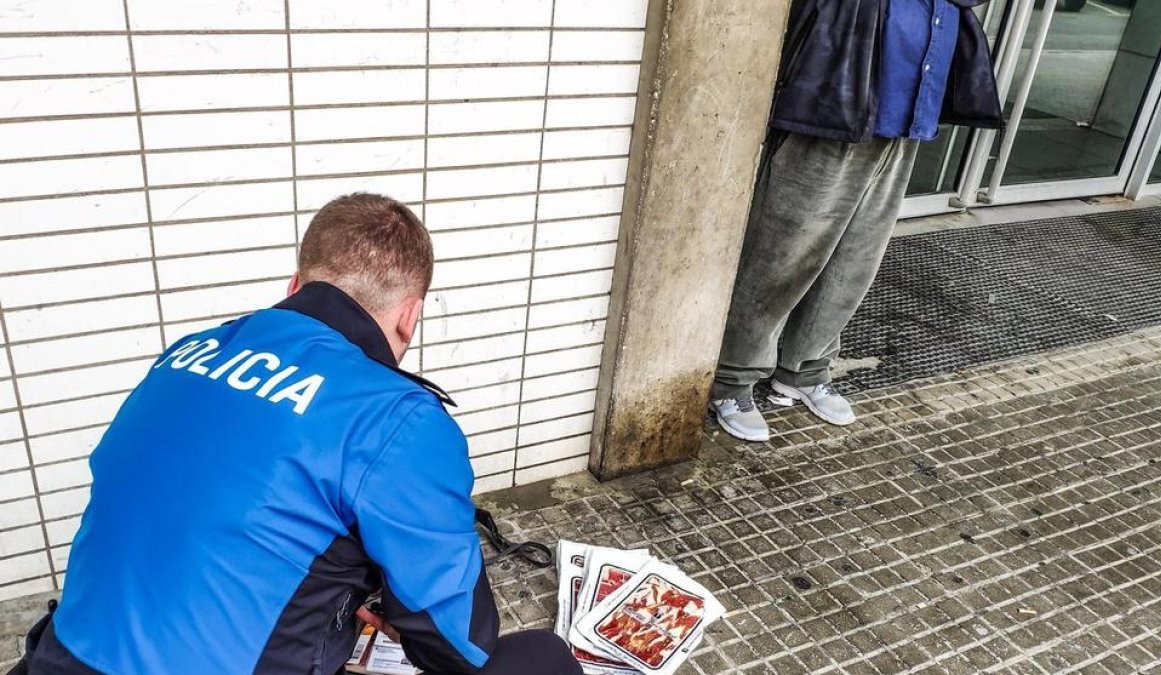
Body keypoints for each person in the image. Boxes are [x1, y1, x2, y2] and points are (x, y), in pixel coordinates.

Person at [16, 193, 582, 675]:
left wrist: (334, 590)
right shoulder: (398, 419)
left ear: (295, 284)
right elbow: (459, 643)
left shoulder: (187, 353)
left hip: (58, 659)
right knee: (544, 657)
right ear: (411, 315)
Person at [710, 0, 1002, 441]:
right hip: (830, 115)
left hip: (902, 125)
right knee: (783, 258)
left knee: (855, 260)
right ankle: (732, 378)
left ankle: (805, 369)